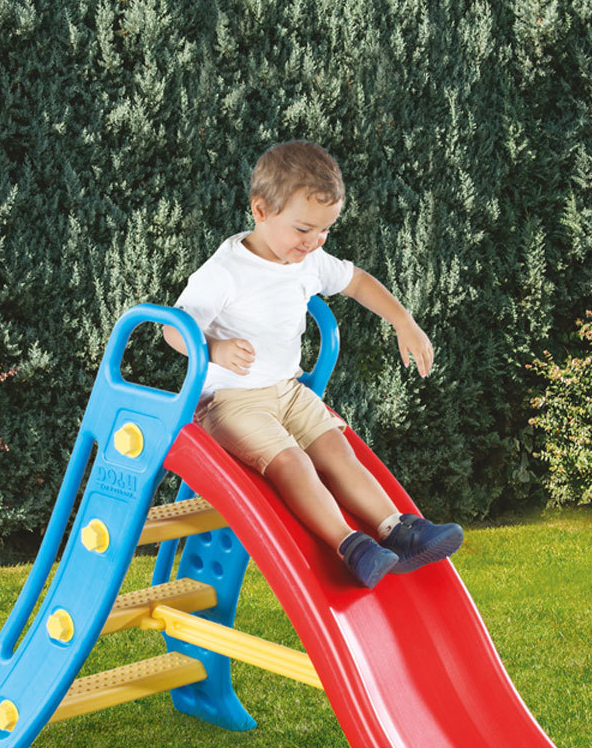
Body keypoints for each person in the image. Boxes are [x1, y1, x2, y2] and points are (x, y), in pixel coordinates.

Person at [162, 140, 463, 588]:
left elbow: (357, 282)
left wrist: (404, 321)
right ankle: (352, 547)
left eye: (324, 230)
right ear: (261, 211)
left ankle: (395, 529)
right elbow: (173, 329)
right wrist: (213, 349)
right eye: (304, 229)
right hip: (230, 402)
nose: (314, 242)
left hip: (288, 390)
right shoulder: (225, 271)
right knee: (294, 464)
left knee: (338, 452)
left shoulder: (308, 262)